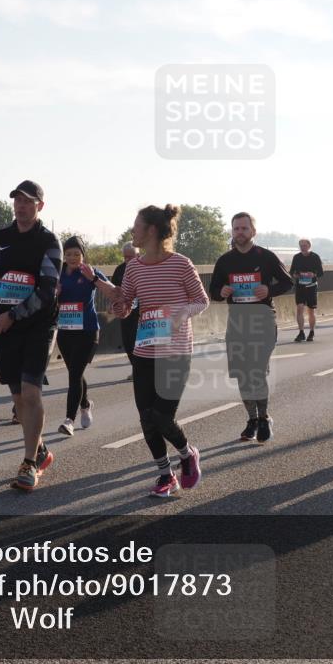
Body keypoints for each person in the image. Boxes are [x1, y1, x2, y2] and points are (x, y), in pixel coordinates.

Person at [0, 180, 62, 491]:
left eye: (28, 201)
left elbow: (48, 290)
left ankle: (29, 464)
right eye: (17, 200)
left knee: (31, 392)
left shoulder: (49, 242)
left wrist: (13, 315)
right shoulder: (0, 239)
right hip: (4, 327)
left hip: (38, 324)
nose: (21, 206)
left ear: (40, 207)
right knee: (18, 399)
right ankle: (40, 449)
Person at [110, 205, 209, 498]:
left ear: (151, 230)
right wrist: (119, 306)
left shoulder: (181, 264)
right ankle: (165, 475)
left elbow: (202, 300)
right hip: (144, 349)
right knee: (145, 416)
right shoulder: (133, 267)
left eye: (136, 225)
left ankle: (187, 453)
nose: (132, 231)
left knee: (163, 417)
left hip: (176, 351)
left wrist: (180, 314)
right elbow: (126, 304)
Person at [209, 212, 293, 443]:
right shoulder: (225, 261)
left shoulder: (266, 257)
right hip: (237, 319)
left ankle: (264, 418)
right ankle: (252, 419)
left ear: (253, 232)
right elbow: (213, 291)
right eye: (236, 229)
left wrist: (270, 290)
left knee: (255, 371)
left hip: (262, 318)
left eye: (244, 228)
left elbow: (288, 282)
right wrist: (221, 292)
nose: (240, 233)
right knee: (242, 375)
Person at [54, 236, 114, 436]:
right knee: (75, 372)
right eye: (68, 254)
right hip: (65, 331)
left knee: (75, 375)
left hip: (87, 331)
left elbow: (113, 292)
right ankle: (86, 404)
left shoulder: (89, 272)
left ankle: (69, 420)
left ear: (83, 255)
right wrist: (54, 293)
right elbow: (43, 295)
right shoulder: (57, 273)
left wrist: (94, 279)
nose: (72, 258)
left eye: (76, 254)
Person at [110, 243, 139, 380]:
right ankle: (136, 368)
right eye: (125, 257)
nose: (127, 260)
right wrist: (113, 305)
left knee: (139, 342)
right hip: (125, 312)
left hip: (143, 313)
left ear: (138, 255)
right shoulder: (120, 270)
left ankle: (142, 371)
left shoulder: (144, 267)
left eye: (131, 257)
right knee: (128, 342)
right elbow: (113, 290)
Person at [290, 239, 324, 342]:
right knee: (299, 308)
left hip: (311, 286)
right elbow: (292, 271)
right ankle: (301, 332)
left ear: (309, 246)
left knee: (310, 310)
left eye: (304, 245)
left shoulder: (315, 257)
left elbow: (321, 273)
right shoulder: (296, 257)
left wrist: (313, 274)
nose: (302, 247)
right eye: (301, 245)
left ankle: (312, 331)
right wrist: (296, 275)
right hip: (300, 286)